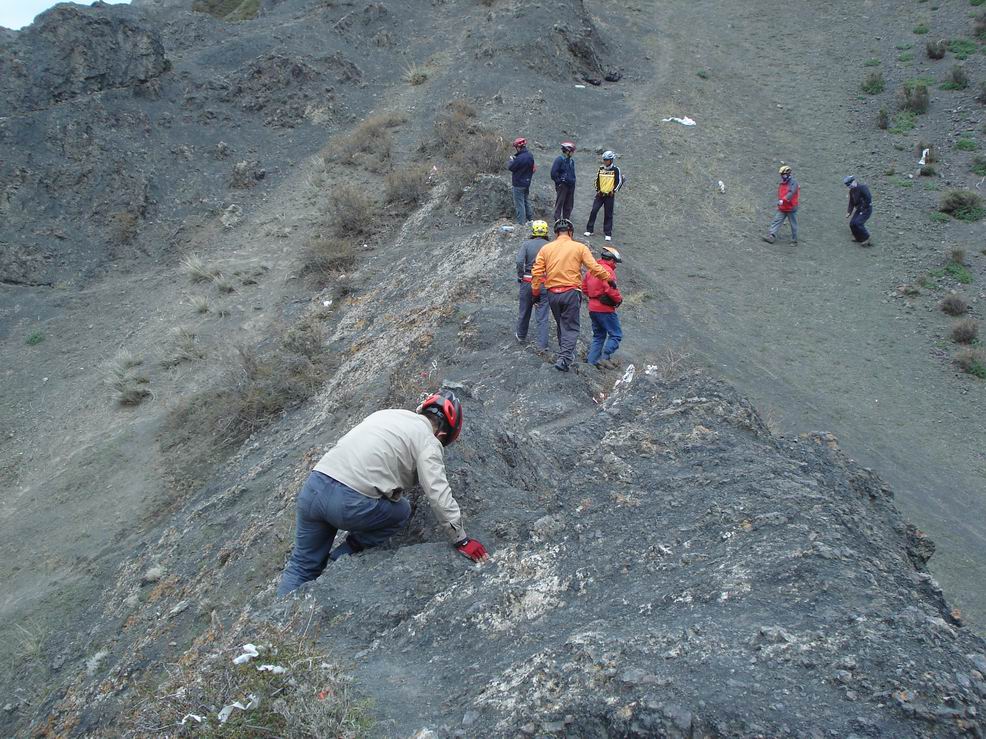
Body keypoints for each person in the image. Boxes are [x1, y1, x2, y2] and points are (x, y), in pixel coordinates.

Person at [277, 390, 488, 596]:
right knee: (401, 510)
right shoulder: (429, 440)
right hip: (347, 502)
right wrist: (462, 540)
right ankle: (343, 557)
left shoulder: (385, 414)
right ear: (442, 434)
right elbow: (437, 492)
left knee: (301, 565)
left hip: (313, 488)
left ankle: (280, 622)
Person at [531, 218, 613, 372]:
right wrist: (608, 278)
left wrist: (535, 293)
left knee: (562, 324)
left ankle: (564, 355)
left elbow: (536, 272)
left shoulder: (546, 249)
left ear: (556, 233)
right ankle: (564, 358)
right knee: (571, 327)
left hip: (552, 294)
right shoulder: (579, 247)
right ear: (571, 232)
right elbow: (594, 268)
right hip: (570, 292)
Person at [582, 245, 624, 369]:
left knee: (598, 336)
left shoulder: (591, 270)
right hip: (605, 309)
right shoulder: (608, 271)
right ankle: (605, 357)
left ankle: (591, 362)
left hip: (592, 308)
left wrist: (593, 296)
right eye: (615, 262)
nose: (615, 264)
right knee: (616, 334)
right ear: (611, 260)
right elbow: (610, 289)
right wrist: (618, 299)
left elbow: (584, 288)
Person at [516, 219, 551, 349]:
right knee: (542, 315)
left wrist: (520, 275)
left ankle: (521, 335)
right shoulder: (550, 246)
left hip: (527, 281)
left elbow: (519, 262)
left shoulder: (526, 244)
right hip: (543, 282)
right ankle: (543, 345)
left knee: (524, 310)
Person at [583, 151, 624, 242]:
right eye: (604, 160)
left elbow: (619, 181)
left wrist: (613, 191)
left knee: (608, 214)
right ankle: (589, 230)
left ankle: (608, 233)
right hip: (600, 195)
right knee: (594, 210)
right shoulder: (601, 168)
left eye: (607, 160)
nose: (605, 161)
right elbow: (596, 181)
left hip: (609, 195)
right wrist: (598, 190)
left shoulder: (616, 169)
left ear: (611, 160)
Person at [762, 165, 800, 245]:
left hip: (791, 208)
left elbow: (791, 193)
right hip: (783, 207)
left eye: (784, 174)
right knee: (776, 221)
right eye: (782, 174)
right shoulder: (783, 183)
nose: (782, 176)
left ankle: (794, 241)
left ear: (789, 174)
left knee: (793, 225)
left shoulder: (794, 183)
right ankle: (771, 236)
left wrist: (783, 200)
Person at [507, 137, 535, 225]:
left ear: (518, 147)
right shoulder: (530, 156)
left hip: (518, 183)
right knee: (526, 201)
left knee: (519, 204)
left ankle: (521, 224)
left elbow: (511, 168)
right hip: (527, 182)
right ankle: (530, 219)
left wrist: (512, 161)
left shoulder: (519, 158)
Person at [550, 142, 577, 222]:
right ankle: (557, 219)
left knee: (569, 204)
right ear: (567, 151)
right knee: (560, 202)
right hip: (563, 185)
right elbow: (553, 173)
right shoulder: (559, 159)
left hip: (571, 185)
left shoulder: (571, 161)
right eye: (572, 151)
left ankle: (566, 220)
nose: (573, 153)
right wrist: (559, 182)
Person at [844, 175, 873, 246]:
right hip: (859, 209)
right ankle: (858, 237)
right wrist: (849, 212)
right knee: (852, 224)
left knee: (858, 223)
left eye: (849, 184)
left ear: (854, 181)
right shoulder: (852, 191)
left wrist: (864, 207)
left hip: (866, 209)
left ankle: (867, 238)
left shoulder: (862, 187)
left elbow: (868, 198)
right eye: (847, 185)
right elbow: (851, 202)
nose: (849, 186)